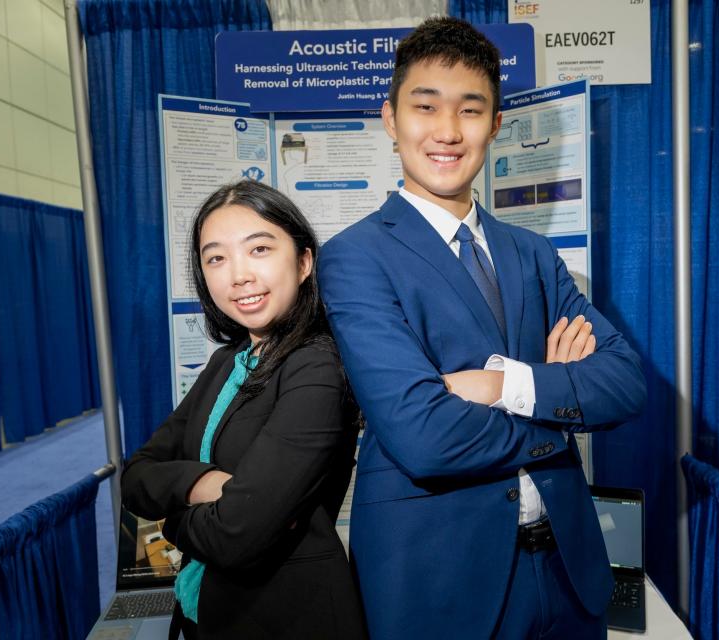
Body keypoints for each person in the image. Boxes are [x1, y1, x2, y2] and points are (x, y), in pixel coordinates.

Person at [318, 16, 647, 640]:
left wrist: (505, 386)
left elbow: (625, 381)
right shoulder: (354, 257)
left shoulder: (533, 255)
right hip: (439, 582)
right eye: (425, 106)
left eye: (470, 110)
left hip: (568, 571)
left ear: (496, 125)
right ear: (390, 119)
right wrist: (559, 406)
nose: (447, 131)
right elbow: (421, 435)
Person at [121, 180, 367, 640]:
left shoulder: (318, 365)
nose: (238, 275)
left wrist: (171, 516)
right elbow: (135, 476)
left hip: (283, 618)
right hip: (204, 611)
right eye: (216, 258)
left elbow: (237, 536)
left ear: (303, 262)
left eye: (258, 250)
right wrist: (203, 483)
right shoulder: (227, 361)